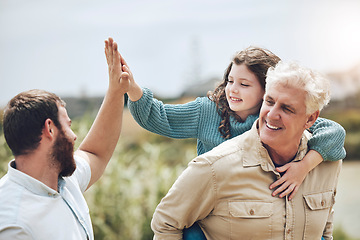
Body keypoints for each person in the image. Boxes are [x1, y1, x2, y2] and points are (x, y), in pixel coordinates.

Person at [114, 44, 345, 238]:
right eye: (230, 81)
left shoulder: (274, 121)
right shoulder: (208, 111)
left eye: (244, 85)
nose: (232, 90)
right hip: (206, 215)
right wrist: (132, 89)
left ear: (266, 90)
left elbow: (334, 132)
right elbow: (160, 117)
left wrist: (303, 167)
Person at [0, 37, 128, 239]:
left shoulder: (64, 179)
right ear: (50, 129)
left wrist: (116, 90)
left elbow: (95, 152)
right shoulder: (12, 223)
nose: (74, 136)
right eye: (68, 126)